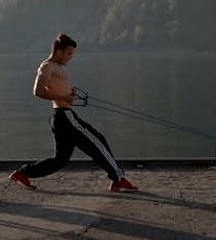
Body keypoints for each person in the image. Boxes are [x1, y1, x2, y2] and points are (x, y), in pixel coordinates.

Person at [9, 33, 138, 192]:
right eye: (69, 53)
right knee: (98, 141)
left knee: (60, 159)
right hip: (64, 116)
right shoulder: (47, 66)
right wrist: (64, 97)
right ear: (59, 51)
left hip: (64, 117)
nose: (70, 57)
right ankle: (118, 178)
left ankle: (22, 173)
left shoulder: (59, 67)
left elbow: (58, 89)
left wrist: (70, 92)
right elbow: (38, 91)